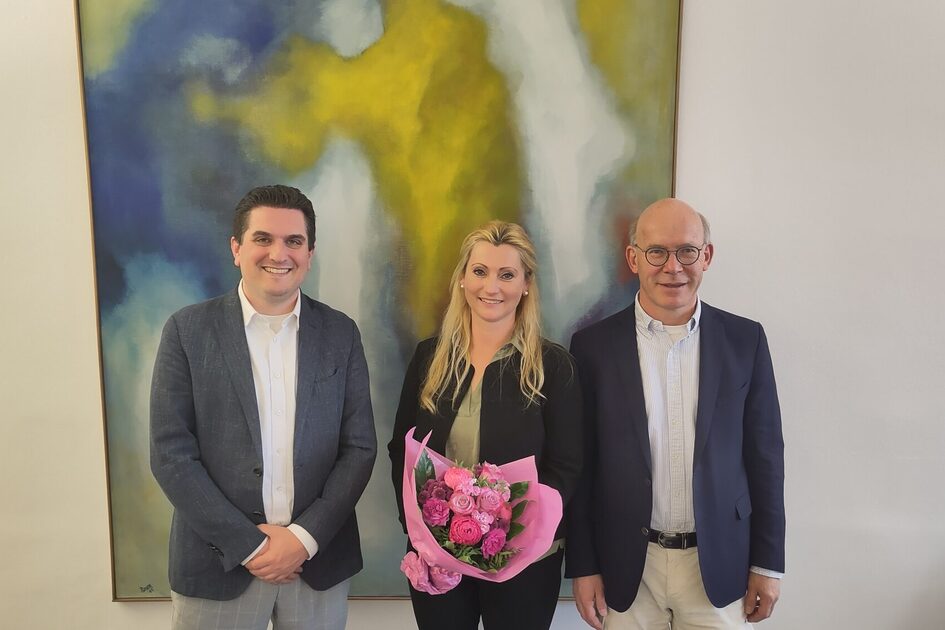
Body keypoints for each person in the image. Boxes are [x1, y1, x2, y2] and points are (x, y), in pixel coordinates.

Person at [150, 184, 377, 630]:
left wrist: (301, 539)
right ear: (236, 248)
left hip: (317, 564)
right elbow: (171, 454)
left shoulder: (341, 334)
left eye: (294, 241)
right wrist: (251, 547)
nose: (280, 253)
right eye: (263, 239)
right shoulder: (186, 331)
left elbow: (360, 449)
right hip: (216, 566)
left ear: (310, 253)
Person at [566, 198, 785, 629]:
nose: (673, 266)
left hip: (720, 564)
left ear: (707, 256)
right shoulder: (592, 348)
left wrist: (768, 563)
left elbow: (766, 459)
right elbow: (582, 468)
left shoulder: (745, 341)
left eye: (687, 251)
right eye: (657, 252)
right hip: (627, 568)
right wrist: (584, 566)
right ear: (633, 258)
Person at [388, 220, 583, 630]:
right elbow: (399, 448)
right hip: (438, 556)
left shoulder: (553, 365)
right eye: (479, 271)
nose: (490, 286)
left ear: (526, 284)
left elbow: (566, 466)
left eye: (506, 274)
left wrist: (515, 537)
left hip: (525, 562)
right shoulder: (429, 357)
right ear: (462, 278)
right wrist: (424, 533)